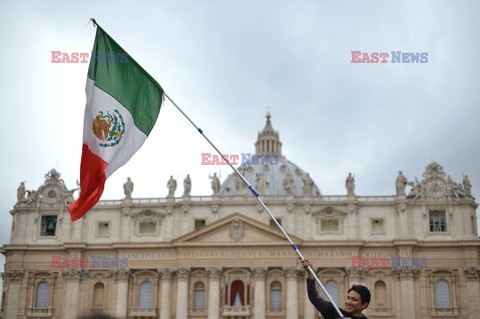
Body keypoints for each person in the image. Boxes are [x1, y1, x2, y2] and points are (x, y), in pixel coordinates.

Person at [301, 259, 370, 319]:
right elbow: (314, 298)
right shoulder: (335, 312)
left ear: (364, 304)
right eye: (348, 298)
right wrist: (310, 273)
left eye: (354, 300)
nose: (349, 302)